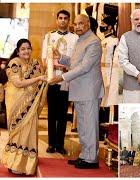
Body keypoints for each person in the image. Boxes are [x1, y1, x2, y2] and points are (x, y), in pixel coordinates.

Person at [50, 14, 104, 169]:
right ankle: (84, 155)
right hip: (80, 89)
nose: (77, 26)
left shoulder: (93, 41)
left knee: (89, 125)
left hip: (89, 90)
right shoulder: (81, 40)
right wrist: (60, 57)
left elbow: (85, 67)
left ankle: (91, 159)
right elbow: (75, 62)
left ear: (88, 24)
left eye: (81, 23)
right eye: (75, 24)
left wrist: (62, 78)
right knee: (83, 125)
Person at [1, 39, 47, 175]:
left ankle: (25, 163)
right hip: (16, 103)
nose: (26, 51)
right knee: (18, 131)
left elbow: (44, 79)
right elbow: (18, 83)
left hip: (30, 104)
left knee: (29, 130)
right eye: (23, 49)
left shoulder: (35, 64)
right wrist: (38, 79)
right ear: (18, 51)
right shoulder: (14, 63)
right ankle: (14, 163)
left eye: (28, 48)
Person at [41, 9, 78, 154]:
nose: (63, 20)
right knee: (52, 113)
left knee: (63, 114)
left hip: (67, 81)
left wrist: (66, 70)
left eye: (65, 18)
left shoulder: (75, 38)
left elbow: (76, 60)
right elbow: (44, 59)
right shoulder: (49, 36)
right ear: (57, 20)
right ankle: (51, 144)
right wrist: (56, 67)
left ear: (69, 21)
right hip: (52, 79)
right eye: (60, 18)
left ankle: (60, 144)